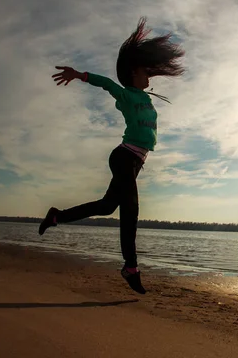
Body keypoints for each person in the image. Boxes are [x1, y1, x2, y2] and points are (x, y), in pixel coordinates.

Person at [38, 17, 185, 294]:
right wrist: (80, 75)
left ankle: (57, 217)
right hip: (124, 157)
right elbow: (107, 83)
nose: (149, 77)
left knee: (107, 206)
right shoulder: (128, 95)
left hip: (135, 161)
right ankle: (131, 268)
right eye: (145, 72)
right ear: (132, 74)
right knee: (130, 211)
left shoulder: (146, 99)